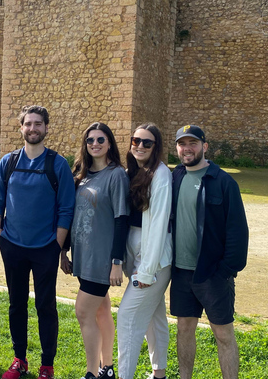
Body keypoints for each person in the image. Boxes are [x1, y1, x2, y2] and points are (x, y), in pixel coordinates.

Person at [0, 105, 75, 379]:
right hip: (13, 246)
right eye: (28, 124)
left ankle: (47, 364)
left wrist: (56, 246)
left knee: (45, 306)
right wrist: (1, 239)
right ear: (21, 128)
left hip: (45, 248)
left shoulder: (57, 163)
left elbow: (66, 208)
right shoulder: (9, 161)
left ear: (46, 128)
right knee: (16, 304)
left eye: (38, 124)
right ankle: (19, 359)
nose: (33, 128)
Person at [170, 125, 248, 379]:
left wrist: (226, 270)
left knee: (223, 334)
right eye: (182, 144)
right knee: (184, 328)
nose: (187, 148)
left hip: (212, 273)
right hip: (181, 272)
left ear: (205, 146)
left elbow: (237, 231)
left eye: (193, 143)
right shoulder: (175, 177)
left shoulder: (223, 182)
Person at [60, 122, 129, 379]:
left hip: (101, 258)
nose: (95, 144)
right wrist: (64, 251)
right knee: (101, 310)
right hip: (82, 256)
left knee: (83, 311)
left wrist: (117, 261)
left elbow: (121, 219)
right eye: (90, 140)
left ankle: (91, 373)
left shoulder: (116, 175)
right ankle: (107, 368)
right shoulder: (82, 173)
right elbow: (71, 214)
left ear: (109, 142)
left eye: (101, 139)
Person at [117, 123, 173, 379]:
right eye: (136, 140)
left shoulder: (160, 175)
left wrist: (147, 272)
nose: (140, 145)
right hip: (138, 258)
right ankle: (159, 374)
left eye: (147, 143)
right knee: (154, 317)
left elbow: (159, 224)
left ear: (156, 147)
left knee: (127, 317)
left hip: (154, 262)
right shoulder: (132, 171)